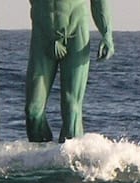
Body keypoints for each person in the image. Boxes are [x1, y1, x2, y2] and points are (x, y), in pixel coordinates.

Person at [26, 0, 115, 143]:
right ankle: (40, 159)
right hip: (42, 34)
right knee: (33, 111)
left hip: (76, 31)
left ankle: (70, 160)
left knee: (71, 107)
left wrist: (106, 33)